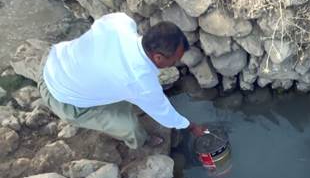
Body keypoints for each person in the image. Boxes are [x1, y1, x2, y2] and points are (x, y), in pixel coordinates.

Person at [38, 12, 203, 149]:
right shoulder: (139, 82)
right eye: (174, 60)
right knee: (129, 126)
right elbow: (165, 113)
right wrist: (191, 126)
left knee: (128, 97)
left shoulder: (122, 22)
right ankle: (142, 142)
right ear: (158, 57)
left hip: (53, 59)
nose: (176, 63)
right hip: (61, 97)